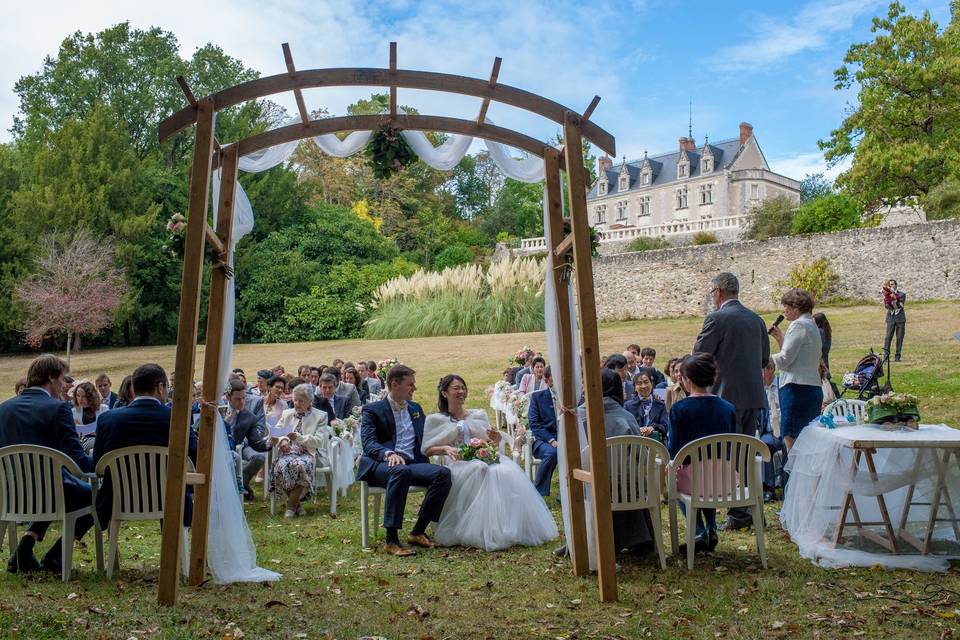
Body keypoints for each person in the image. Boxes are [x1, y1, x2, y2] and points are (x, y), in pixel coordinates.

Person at [422, 375, 557, 550]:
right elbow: (427, 449)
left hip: (482, 457)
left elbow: (492, 443)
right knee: (480, 469)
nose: (461, 391)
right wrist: (445, 449)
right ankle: (475, 529)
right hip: (456, 461)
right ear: (444, 392)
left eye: (463, 387)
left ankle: (506, 527)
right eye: (456, 388)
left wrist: (495, 438)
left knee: (505, 471)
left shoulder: (478, 415)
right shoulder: (435, 420)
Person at [0, 354, 95, 574]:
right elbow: (77, 460)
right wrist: (98, 462)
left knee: (54, 483)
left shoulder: (3, 409)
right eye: (62, 379)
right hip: (52, 492)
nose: (64, 386)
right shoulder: (58, 409)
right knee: (99, 496)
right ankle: (55, 556)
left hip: (11, 494)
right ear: (51, 378)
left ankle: (25, 546)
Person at [693, 272, 769, 531]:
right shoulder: (757, 320)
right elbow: (764, 359)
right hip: (753, 395)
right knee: (744, 451)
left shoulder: (717, 318)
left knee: (722, 453)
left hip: (725, 396)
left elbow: (699, 355)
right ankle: (744, 508)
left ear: (718, 292)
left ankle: (730, 509)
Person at [356, 365, 452, 556]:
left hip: (412, 463)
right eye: (410, 384)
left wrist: (446, 444)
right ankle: (391, 540)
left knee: (443, 473)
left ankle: (417, 531)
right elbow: (368, 443)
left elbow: (426, 438)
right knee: (401, 471)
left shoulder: (415, 408)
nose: (414, 388)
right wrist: (388, 454)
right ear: (394, 384)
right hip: (382, 465)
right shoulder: (372, 410)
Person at [94, 363, 198, 531]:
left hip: (120, 500)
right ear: (160, 387)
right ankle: (177, 551)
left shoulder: (107, 419)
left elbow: (97, 463)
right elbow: (194, 455)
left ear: (133, 388)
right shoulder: (176, 418)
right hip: (170, 499)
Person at [579, 368, 656, 554]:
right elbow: (642, 457)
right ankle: (639, 539)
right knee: (627, 478)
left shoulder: (579, 416)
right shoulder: (626, 417)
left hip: (590, 485)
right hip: (627, 491)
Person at [668, 353, 738, 552]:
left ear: (687, 380)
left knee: (680, 479)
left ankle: (699, 530)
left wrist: (671, 465)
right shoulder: (728, 408)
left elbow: (675, 448)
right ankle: (712, 527)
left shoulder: (679, 409)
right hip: (724, 478)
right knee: (708, 475)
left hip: (694, 479)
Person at [769, 288, 823, 452]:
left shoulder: (798, 325)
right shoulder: (811, 325)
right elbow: (797, 357)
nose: (784, 311)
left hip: (796, 389)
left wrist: (765, 357)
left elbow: (785, 360)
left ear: (795, 307)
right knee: (806, 440)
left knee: (791, 438)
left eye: (786, 306)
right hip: (811, 387)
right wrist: (780, 338)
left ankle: (794, 476)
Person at [270, 384, 332, 518]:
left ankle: (291, 507)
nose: (297, 403)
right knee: (280, 465)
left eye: (301, 401)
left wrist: (299, 438)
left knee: (299, 465)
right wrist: (283, 440)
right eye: (295, 400)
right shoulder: (287, 414)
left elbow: (319, 441)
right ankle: (297, 505)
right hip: (288, 452)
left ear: (310, 401)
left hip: (309, 452)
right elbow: (277, 432)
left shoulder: (320, 416)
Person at [224, 378, 269, 501]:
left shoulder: (249, 415)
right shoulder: (219, 409)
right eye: (238, 399)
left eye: (244, 398)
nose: (242, 402)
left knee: (259, 457)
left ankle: (240, 482)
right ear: (228, 397)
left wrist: (269, 443)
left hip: (242, 445)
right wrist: (226, 422)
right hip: (222, 448)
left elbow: (256, 438)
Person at [527, 366, 559, 498]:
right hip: (542, 440)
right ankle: (538, 492)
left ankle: (569, 494)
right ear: (547, 380)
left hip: (567, 438)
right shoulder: (538, 397)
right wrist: (551, 440)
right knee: (553, 453)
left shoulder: (572, 398)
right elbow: (534, 424)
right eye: (554, 376)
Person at [758, 360, 785, 503]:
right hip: (768, 432)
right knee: (764, 445)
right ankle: (768, 488)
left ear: (770, 370)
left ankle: (787, 485)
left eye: (761, 371)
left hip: (785, 429)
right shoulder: (757, 389)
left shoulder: (783, 385)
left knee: (790, 445)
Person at [624, 371, 668, 442]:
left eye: (646, 382)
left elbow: (665, 426)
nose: (643, 386)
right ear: (635, 388)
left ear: (652, 384)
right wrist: (638, 429)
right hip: (635, 446)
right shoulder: (628, 406)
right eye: (639, 383)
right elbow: (625, 426)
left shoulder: (660, 405)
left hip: (656, 445)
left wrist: (653, 427)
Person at [72, 380, 107, 452]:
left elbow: (107, 429)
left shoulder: (103, 408)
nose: (80, 399)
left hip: (102, 439)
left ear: (91, 397)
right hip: (84, 442)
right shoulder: (74, 412)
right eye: (78, 396)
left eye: (84, 396)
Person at [882, 279, 906, 362]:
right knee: (888, 337)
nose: (891, 286)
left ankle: (897, 357)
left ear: (896, 285)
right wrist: (888, 301)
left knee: (899, 338)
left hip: (900, 319)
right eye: (890, 284)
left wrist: (894, 299)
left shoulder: (902, 294)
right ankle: (885, 357)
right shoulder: (886, 294)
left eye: (892, 284)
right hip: (891, 318)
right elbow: (886, 306)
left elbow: (900, 305)